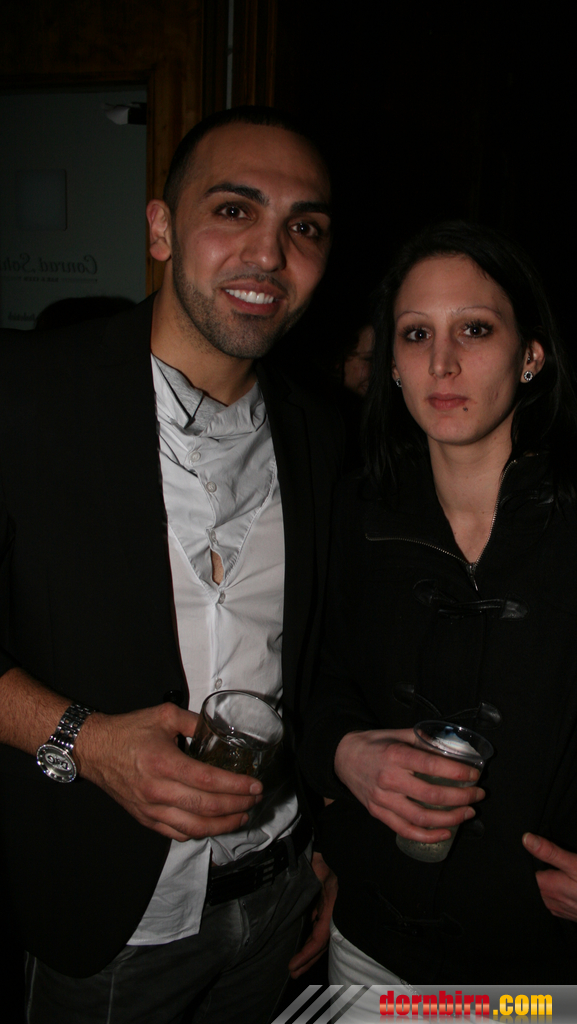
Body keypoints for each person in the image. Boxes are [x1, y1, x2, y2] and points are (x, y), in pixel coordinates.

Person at [0, 106, 342, 1023]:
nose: (269, 254)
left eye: (305, 227)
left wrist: (329, 846)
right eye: (234, 210)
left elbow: (324, 667)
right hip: (113, 919)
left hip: (279, 896)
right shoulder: (27, 395)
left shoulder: (323, 437)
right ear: (160, 229)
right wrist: (84, 742)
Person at [301, 221, 577, 984]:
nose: (442, 362)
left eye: (474, 329)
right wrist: (342, 752)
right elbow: (312, 681)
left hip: (539, 963)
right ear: (392, 366)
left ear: (531, 354)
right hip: (371, 946)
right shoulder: (351, 514)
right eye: (416, 334)